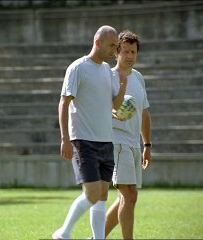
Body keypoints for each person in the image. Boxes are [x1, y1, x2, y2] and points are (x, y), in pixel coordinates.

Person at [52, 25, 127, 240]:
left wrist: (122, 85)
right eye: (112, 45)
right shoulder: (78, 68)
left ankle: (98, 238)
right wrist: (65, 139)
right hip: (84, 141)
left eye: (117, 46)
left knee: (102, 196)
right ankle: (63, 233)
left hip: (106, 142)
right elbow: (64, 103)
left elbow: (116, 105)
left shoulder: (107, 71)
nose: (115, 50)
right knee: (93, 194)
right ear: (97, 42)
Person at [104, 30, 152, 239]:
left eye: (133, 52)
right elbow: (98, 109)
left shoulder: (139, 78)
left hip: (133, 144)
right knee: (129, 194)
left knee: (129, 197)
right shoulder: (108, 77)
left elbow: (144, 112)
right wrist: (113, 114)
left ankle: (97, 237)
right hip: (116, 141)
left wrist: (147, 145)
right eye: (126, 52)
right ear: (117, 52)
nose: (130, 56)